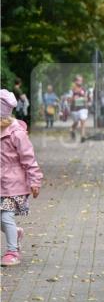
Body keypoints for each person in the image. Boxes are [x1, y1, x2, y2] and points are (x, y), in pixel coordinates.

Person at [0, 90, 42, 266]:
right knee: (3, 219)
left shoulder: (17, 134)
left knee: (5, 217)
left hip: (15, 184)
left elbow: (29, 159)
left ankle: (12, 251)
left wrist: (35, 181)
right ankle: (15, 233)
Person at [68, 75, 89, 142]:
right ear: (75, 81)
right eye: (79, 80)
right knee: (76, 122)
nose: (80, 82)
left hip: (83, 107)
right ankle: (72, 130)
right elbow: (69, 100)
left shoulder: (84, 89)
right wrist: (73, 99)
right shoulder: (71, 90)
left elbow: (86, 98)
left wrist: (85, 99)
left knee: (83, 121)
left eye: (81, 80)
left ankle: (82, 136)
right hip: (74, 109)